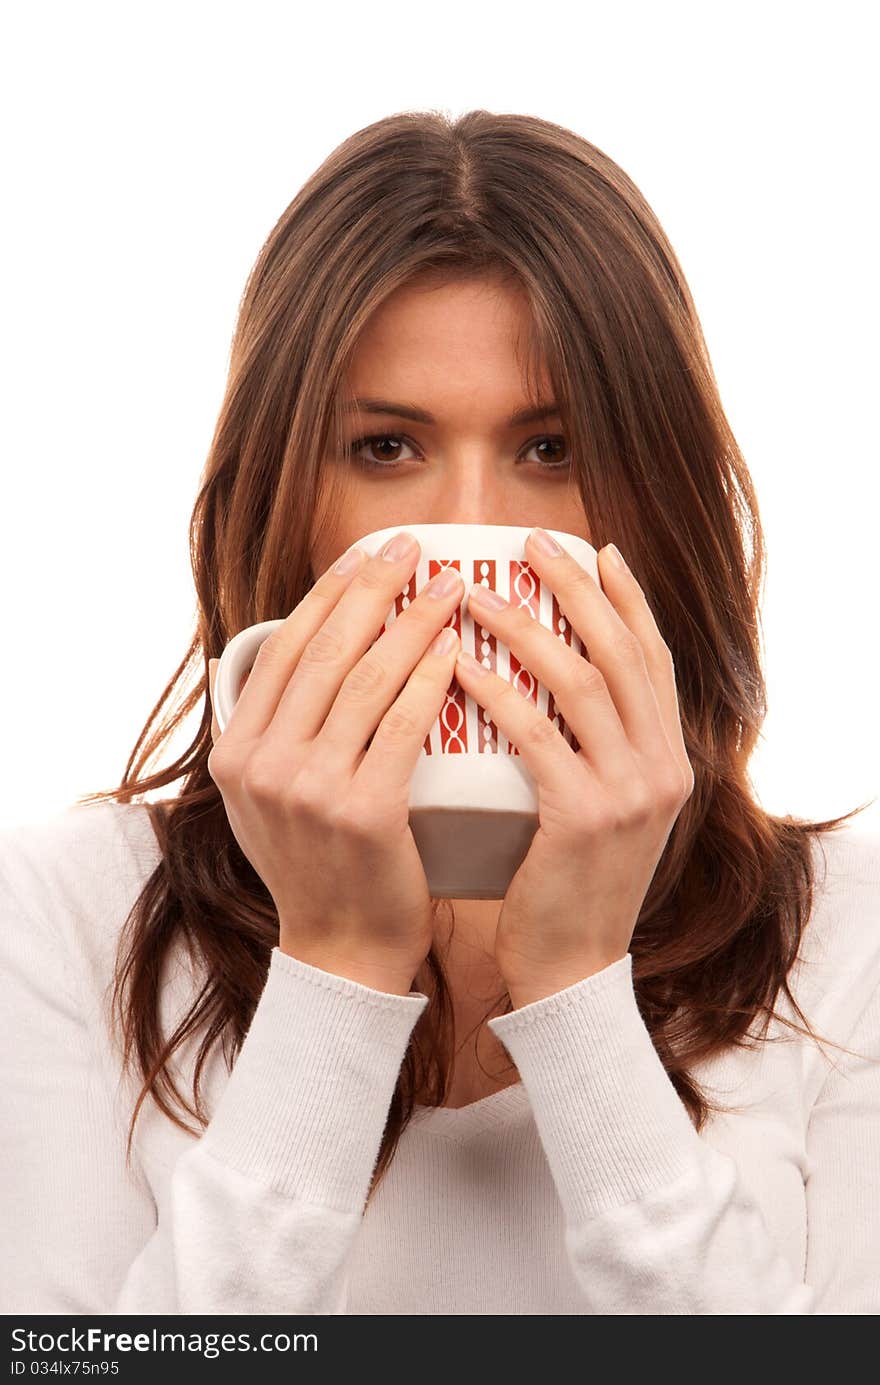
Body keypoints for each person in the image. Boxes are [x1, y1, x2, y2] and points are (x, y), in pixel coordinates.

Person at [2, 109, 878, 1316]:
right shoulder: (63, 908)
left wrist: (577, 991)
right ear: (282, 498)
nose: (471, 532)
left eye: (553, 446)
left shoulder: (847, 934)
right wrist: (339, 970)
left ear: (659, 499)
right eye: (386, 446)